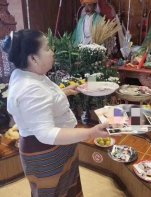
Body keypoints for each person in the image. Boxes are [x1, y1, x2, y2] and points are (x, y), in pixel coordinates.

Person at [1, 29, 109, 197]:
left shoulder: (27, 74)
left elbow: (42, 100)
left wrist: (63, 91)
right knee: (53, 191)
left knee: (65, 187)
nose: (52, 52)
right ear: (33, 58)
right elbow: (46, 133)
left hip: (55, 148)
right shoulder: (29, 89)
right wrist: (90, 132)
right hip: (46, 151)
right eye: (47, 48)